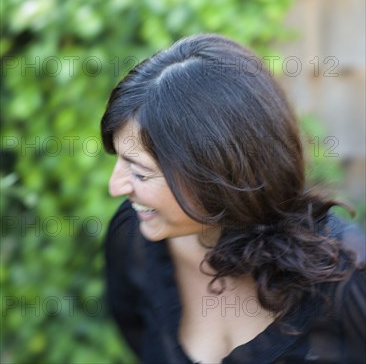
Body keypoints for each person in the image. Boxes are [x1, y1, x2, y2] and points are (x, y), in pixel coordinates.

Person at [101, 33, 365, 364]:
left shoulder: (347, 279)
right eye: (119, 160)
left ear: (217, 175)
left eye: (139, 172)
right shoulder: (134, 241)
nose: (116, 187)